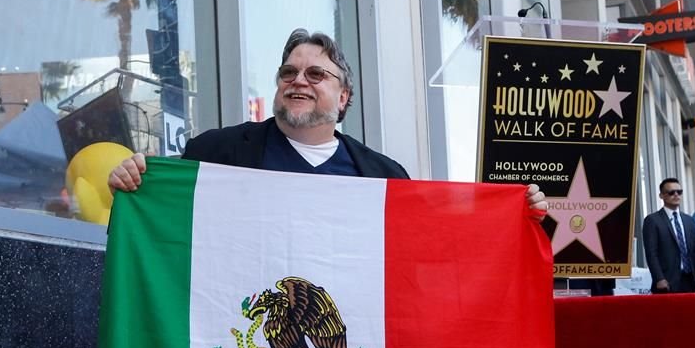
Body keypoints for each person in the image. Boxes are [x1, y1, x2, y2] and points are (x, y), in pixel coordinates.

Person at [109, 28, 548, 215]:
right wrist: (132, 182)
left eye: (315, 74)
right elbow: (161, 226)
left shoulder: (385, 177)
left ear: (343, 97)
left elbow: (436, 254)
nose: (298, 81)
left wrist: (515, 217)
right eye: (288, 72)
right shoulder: (214, 153)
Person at [642, 178, 695, 293]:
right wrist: (659, 278)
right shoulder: (653, 220)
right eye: (671, 192)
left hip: (690, 279)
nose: (676, 195)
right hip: (667, 281)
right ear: (661, 196)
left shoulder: (688, 220)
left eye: (679, 192)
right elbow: (651, 253)